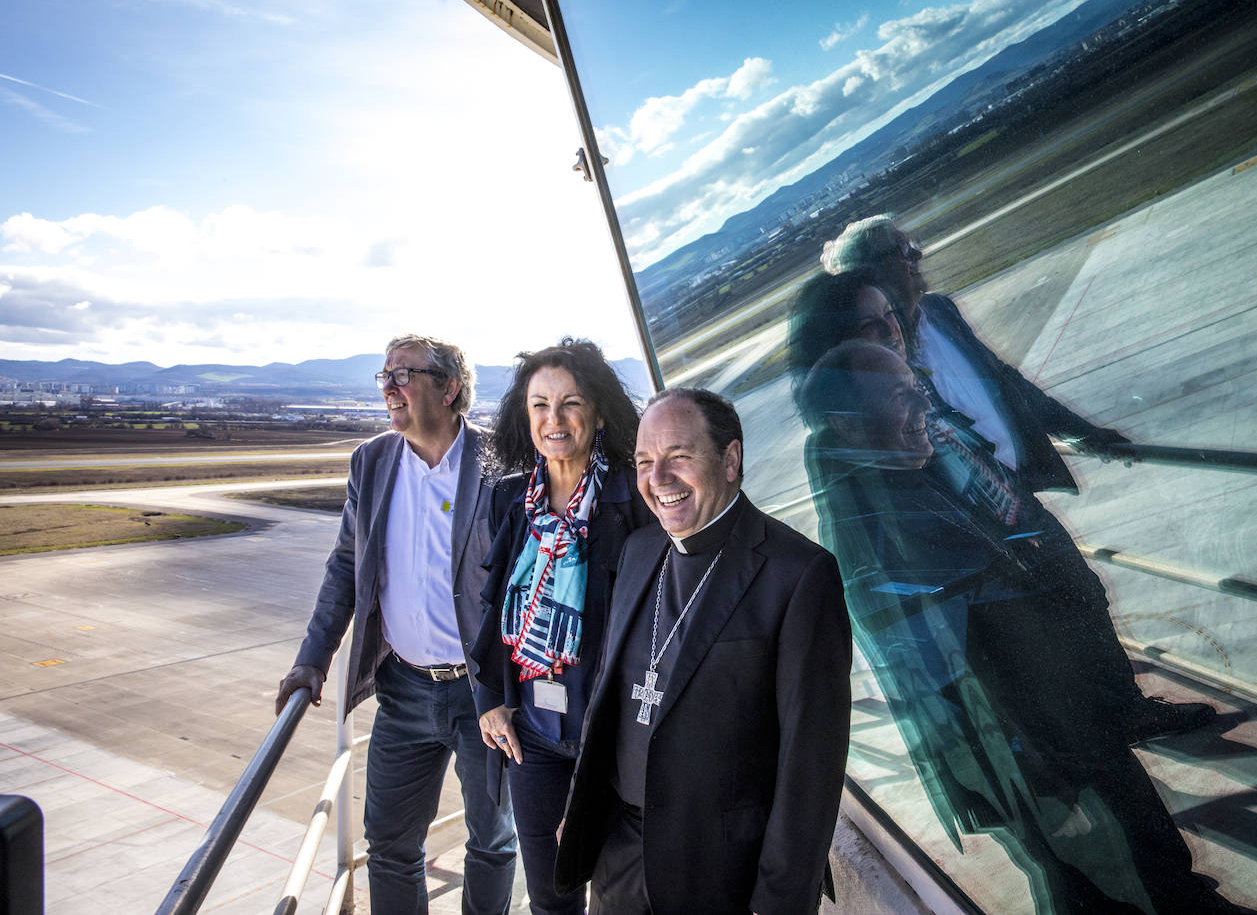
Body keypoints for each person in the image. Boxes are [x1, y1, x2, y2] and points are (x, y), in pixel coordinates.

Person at [813, 226, 1217, 743]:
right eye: (902, 252)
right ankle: (1097, 727)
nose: (918, 256)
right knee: (1036, 630)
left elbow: (1005, 382)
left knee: (1082, 595)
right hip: (968, 526)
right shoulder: (870, 359)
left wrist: (1082, 431)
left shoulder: (940, 313)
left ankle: (1122, 710)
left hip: (1011, 498)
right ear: (869, 274)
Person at [554, 388, 851, 915]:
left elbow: (811, 765)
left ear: (731, 459)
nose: (658, 479)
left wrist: (780, 901)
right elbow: (609, 701)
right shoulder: (640, 550)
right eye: (645, 461)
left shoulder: (799, 575)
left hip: (719, 872)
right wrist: (580, 811)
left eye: (679, 458)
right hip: (619, 856)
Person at [274, 333, 516, 915]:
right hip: (402, 688)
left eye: (403, 374)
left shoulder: (502, 465)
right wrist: (312, 659)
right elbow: (345, 567)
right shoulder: (372, 460)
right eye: (384, 375)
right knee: (388, 845)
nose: (388, 386)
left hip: (483, 693)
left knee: (493, 840)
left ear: (449, 387)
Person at [469, 338, 653, 915]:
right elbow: (490, 608)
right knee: (551, 899)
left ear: (597, 412)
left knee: (625, 900)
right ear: (524, 420)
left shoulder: (634, 501)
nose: (554, 419)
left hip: (615, 740)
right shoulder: (509, 500)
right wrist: (490, 699)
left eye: (570, 403)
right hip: (535, 739)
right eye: (539, 406)